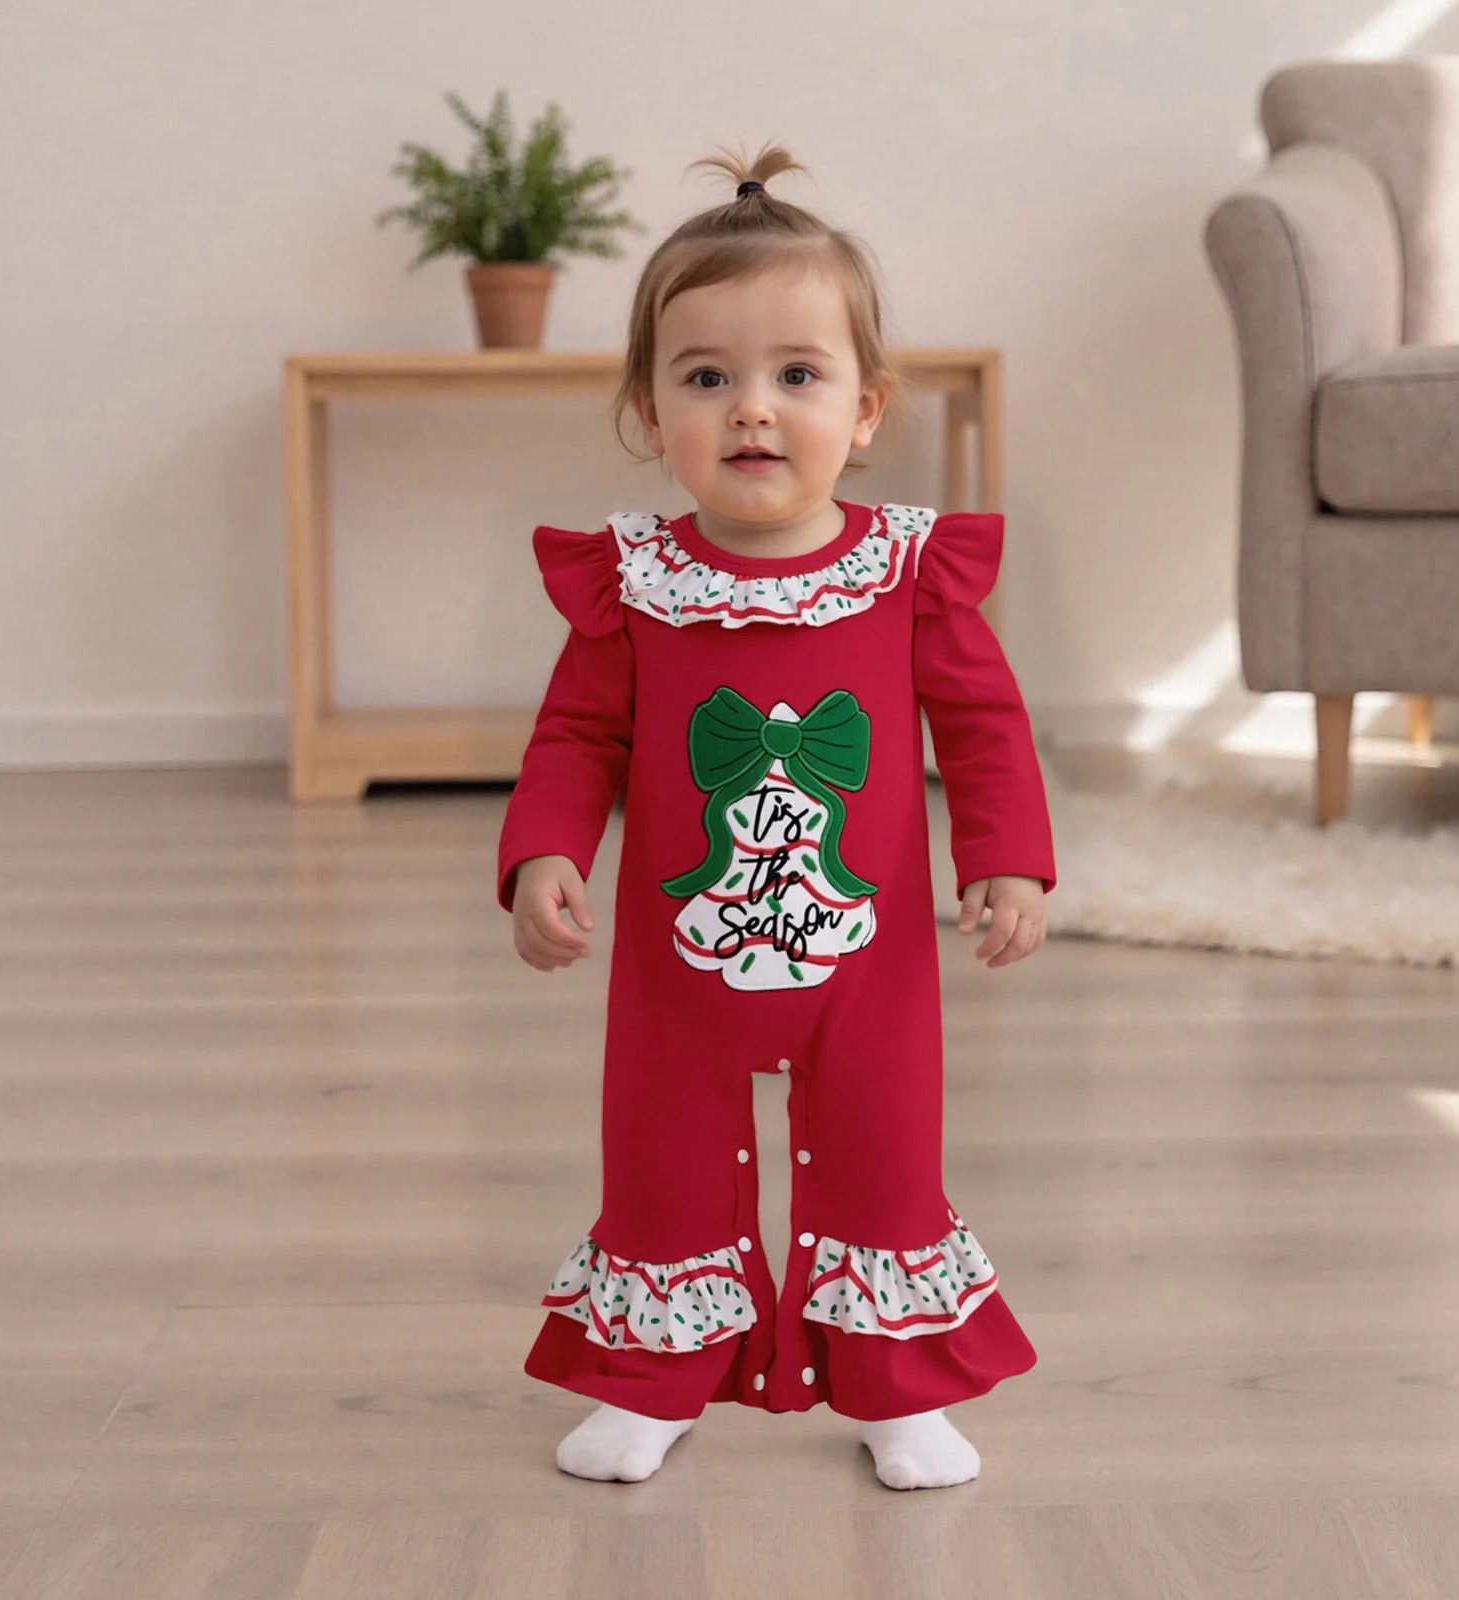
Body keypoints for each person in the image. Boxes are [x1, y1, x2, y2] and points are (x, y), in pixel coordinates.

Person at [496, 143, 1056, 1491]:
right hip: (679, 951)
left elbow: (983, 727)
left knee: (882, 1149)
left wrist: (1007, 860)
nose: (753, 408)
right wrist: (546, 851)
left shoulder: (907, 573)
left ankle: (897, 1390)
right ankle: (654, 1379)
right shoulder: (634, 582)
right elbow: (577, 735)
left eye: (798, 375)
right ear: (650, 414)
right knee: (664, 1154)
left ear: (865, 409)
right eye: (707, 379)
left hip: (869, 956)